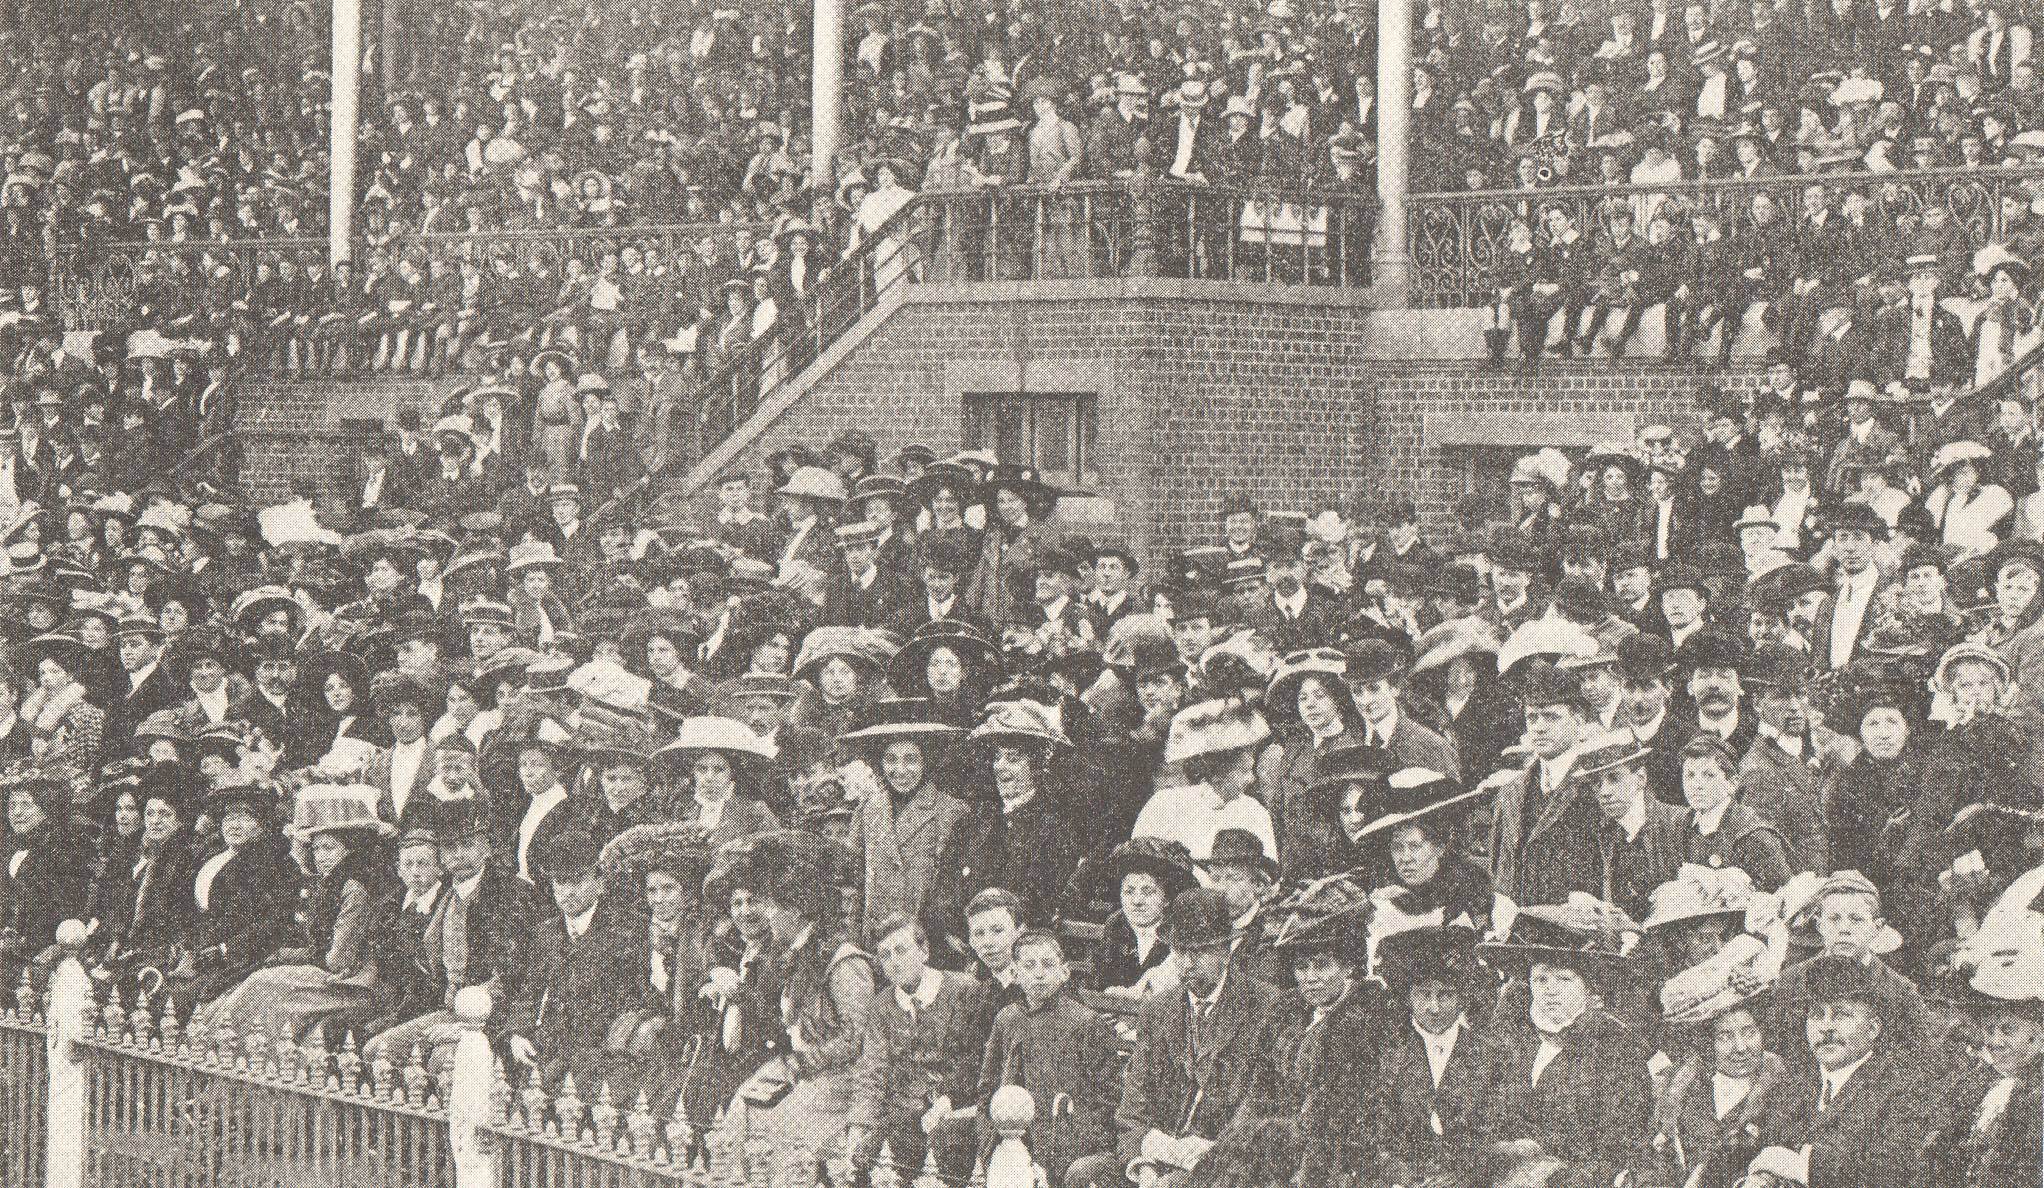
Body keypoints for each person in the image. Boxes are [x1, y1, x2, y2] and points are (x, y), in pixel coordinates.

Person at [1068, 887, 1281, 1188]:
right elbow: (1133, 1107)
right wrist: (1143, 1166)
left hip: (1224, 1160)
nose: (1187, 963)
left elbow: (1263, 1106)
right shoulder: (1159, 1009)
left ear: (1225, 951)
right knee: (1084, 1173)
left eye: (1199, 952)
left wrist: (1207, 1155)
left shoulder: (1265, 1006)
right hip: (1158, 1156)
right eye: (1180, 952)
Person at [717, 830, 877, 1188]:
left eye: (772, 907)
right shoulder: (788, 957)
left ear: (796, 910)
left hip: (839, 1079)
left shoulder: (844, 962)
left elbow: (857, 1041)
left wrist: (802, 1062)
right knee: (740, 1110)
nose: (766, 917)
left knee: (784, 1128)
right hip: (800, 1069)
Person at [198, 784, 396, 1041]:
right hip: (326, 973)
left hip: (350, 982)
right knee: (251, 985)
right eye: (316, 849)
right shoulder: (329, 883)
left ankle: (230, 1047)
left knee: (263, 985)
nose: (320, 857)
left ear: (349, 849)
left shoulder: (354, 889)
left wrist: (288, 957)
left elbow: (337, 960)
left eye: (329, 849)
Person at [1474, 905, 1654, 1188]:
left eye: (1564, 979)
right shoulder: (1509, 1041)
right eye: (1540, 979)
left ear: (1588, 986)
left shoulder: (1616, 1048)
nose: (1550, 989)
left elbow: (1620, 1147)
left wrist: (1552, 1176)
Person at [978, 929, 1120, 1187]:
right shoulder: (1007, 1019)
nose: (1039, 973)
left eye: (1048, 964)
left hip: (1068, 1141)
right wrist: (990, 1143)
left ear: (1064, 972)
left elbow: (1107, 1100)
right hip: (1014, 1135)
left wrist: (1066, 1144)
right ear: (1015, 974)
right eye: (1029, 966)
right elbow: (988, 1089)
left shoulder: (1085, 1023)